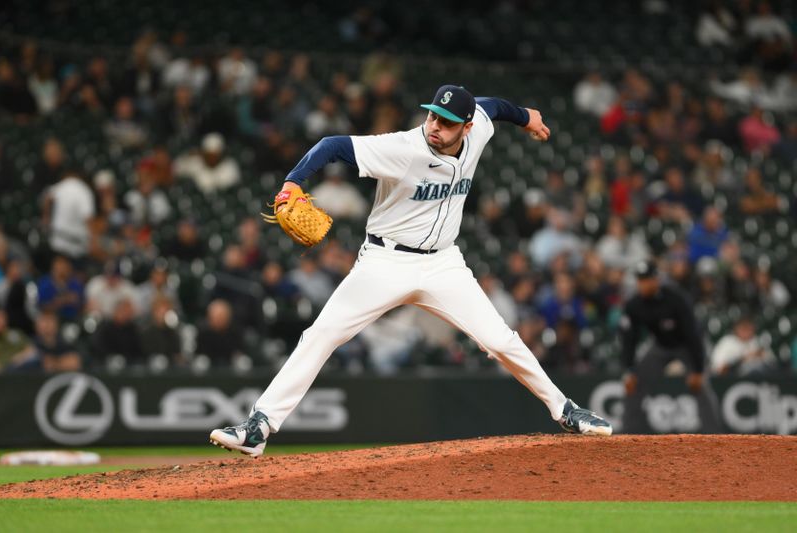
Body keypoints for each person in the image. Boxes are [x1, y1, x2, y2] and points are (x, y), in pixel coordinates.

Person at [210, 84, 612, 457]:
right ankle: (261, 425)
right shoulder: (402, 148)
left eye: (447, 121)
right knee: (322, 334)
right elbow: (331, 145)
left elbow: (494, 107)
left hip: (443, 264)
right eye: (433, 116)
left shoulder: (480, 127)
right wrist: (293, 182)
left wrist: (526, 116)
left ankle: (566, 410)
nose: (435, 126)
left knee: (501, 340)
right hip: (385, 261)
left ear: (467, 127)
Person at [620, 260, 722, 434]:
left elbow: (693, 334)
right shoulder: (634, 305)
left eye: (646, 279)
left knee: (701, 385)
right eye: (640, 280)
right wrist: (629, 369)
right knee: (633, 383)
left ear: (656, 279)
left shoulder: (675, 298)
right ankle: (628, 433)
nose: (643, 284)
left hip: (685, 346)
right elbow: (630, 338)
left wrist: (698, 370)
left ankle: (714, 434)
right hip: (660, 346)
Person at [711, 316, 776, 376]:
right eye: (744, 328)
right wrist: (743, 358)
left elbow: (772, 362)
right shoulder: (727, 342)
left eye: (749, 328)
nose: (747, 332)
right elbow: (719, 368)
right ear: (736, 328)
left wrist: (760, 354)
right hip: (732, 380)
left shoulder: (757, 341)